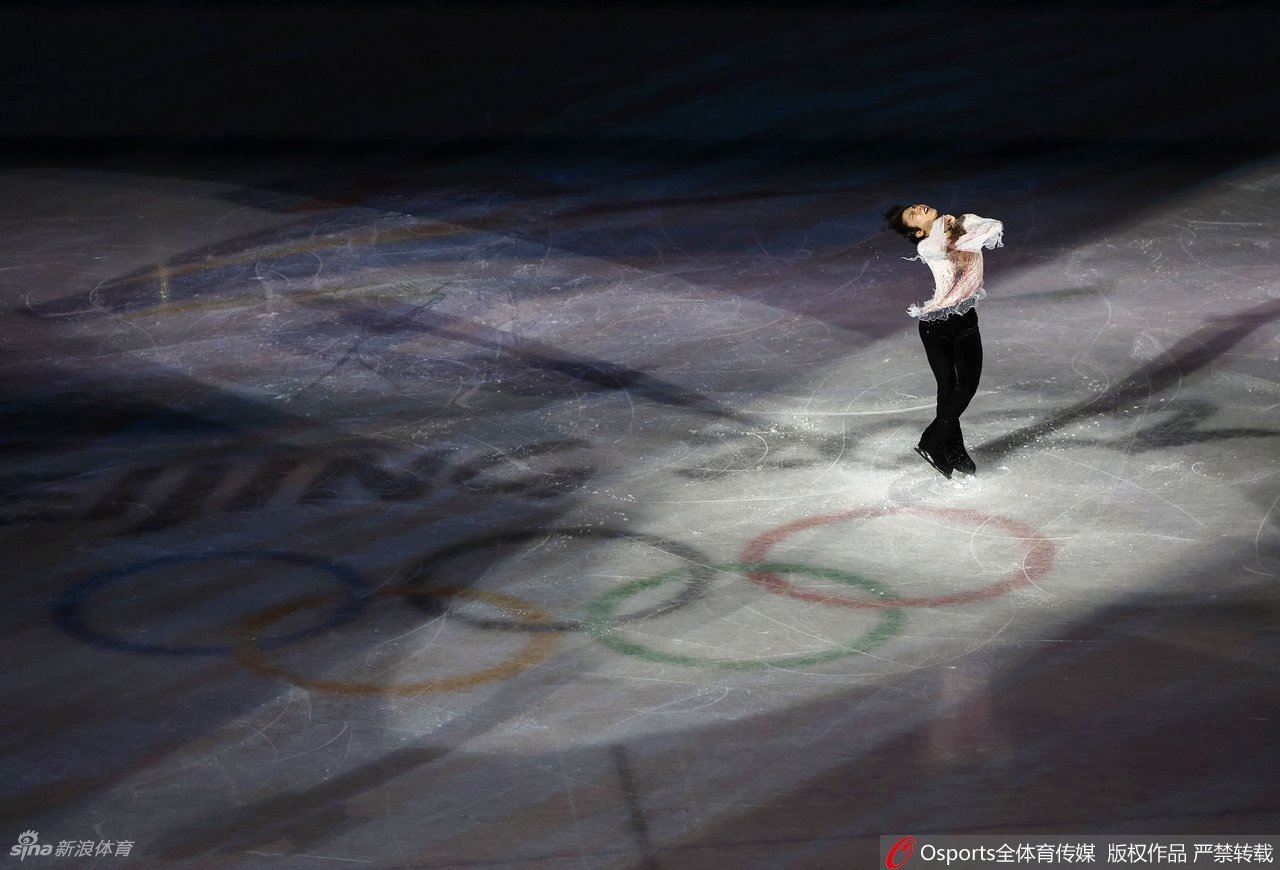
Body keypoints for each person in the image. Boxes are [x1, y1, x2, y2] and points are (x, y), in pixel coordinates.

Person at [882, 203, 1004, 479]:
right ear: (917, 232)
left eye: (915, 206)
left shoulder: (964, 223)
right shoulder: (926, 246)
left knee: (966, 386)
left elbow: (994, 227)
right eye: (914, 215)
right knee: (948, 388)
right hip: (936, 326)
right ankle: (947, 445)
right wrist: (940, 227)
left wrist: (957, 226)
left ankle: (937, 442)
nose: (918, 207)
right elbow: (938, 248)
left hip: (966, 321)